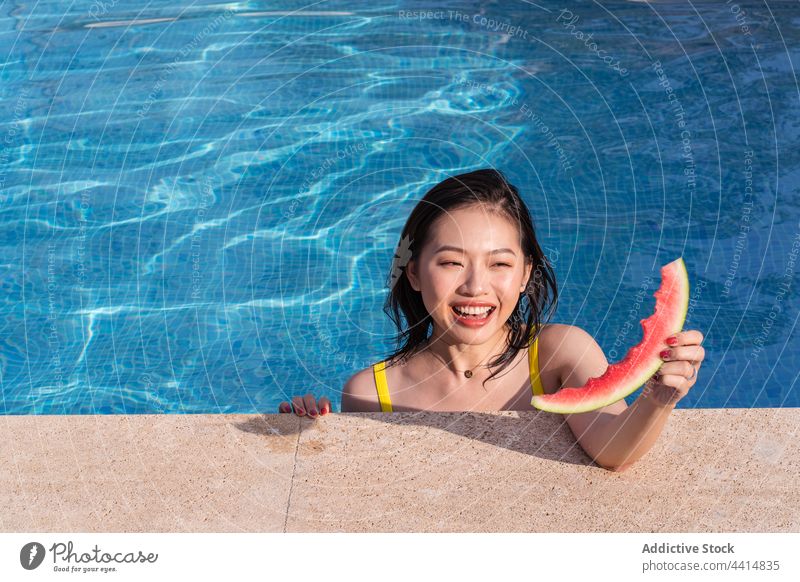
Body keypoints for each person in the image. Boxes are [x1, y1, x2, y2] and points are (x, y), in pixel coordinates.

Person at [279, 169, 705, 471]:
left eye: (500, 264)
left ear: (524, 274)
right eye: (451, 262)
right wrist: (307, 436)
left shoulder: (559, 355)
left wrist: (657, 399)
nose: (475, 287)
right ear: (413, 272)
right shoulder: (371, 391)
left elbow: (613, 450)